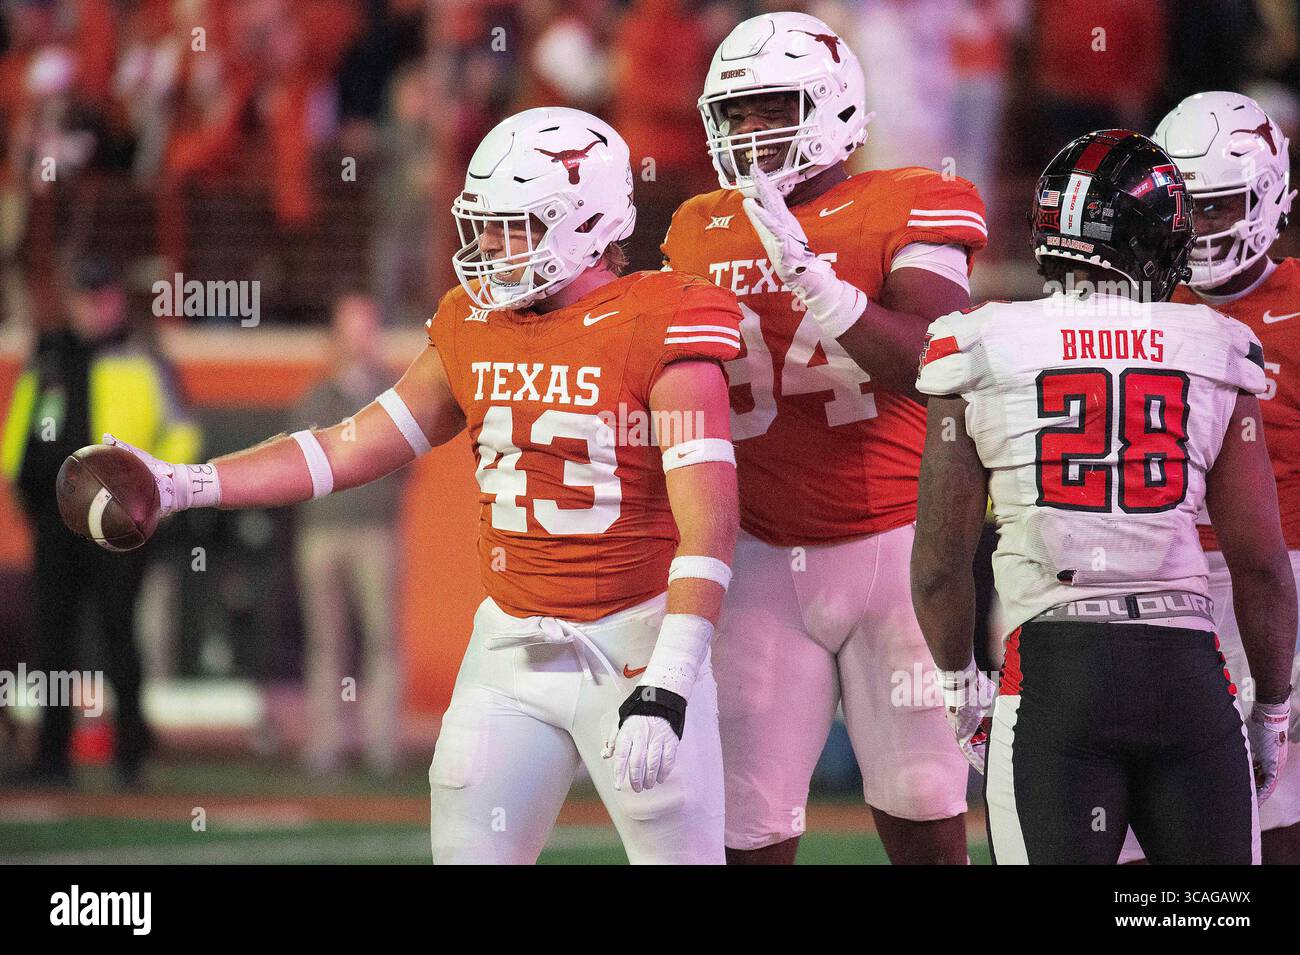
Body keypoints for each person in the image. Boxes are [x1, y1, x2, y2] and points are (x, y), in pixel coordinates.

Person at [106, 107, 743, 864]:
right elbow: (345, 447)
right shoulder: (472, 323)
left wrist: (673, 673)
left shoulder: (663, 320)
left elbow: (709, 523)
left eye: (515, 225)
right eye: (487, 224)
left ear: (587, 222)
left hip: (638, 640)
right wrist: (184, 483)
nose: (490, 247)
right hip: (511, 643)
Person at [912, 129, 1297, 864]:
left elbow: (939, 562)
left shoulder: (979, 343)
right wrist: (1270, 709)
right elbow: (1260, 566)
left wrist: (961, 685)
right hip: (1189, 669)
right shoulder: (1214, 344)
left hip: (1054, 671)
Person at [660, 11, 986, 864]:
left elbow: (935, 357)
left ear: (835, 106)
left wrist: (817, 282)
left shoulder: (911, 196)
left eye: (769, 107)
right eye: (733, 114)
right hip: (762, 554)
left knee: (925, 819)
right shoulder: (696, 225)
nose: (749, 131)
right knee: (747, 832)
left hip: (896, 547)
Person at [1116, 91, 1300, 865]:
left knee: (1277, 804)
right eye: (1188, 206)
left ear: (1265, 199)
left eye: (1220, 206)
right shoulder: (1130, 301)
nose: (1201, 228)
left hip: (1282, 573)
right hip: (1157, 574)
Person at [1, 256, 201, 786]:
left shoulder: (143, 356)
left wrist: (151, 487)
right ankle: (52, 757)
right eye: (84, 297)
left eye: (101, 296)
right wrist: (27, 487)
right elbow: (29, 428)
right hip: (57, 521)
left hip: (120, 522)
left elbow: (181, 432)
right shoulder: (50, 357)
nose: (93, 308)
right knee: (55, 639)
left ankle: (130, 756)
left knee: (119, 632)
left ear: (116, 298)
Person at [291, 292, 405, 776]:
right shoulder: (315, 397)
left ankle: (382, 745)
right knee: (325, 640)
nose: (359, 340)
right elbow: (299, 462)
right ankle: (325, 744)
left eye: (366, 329)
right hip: (322, 532)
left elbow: (403, 460)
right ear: (336, 338)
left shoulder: (392, 395)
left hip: (376, 531)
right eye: (351, 330)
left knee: (382, 638)